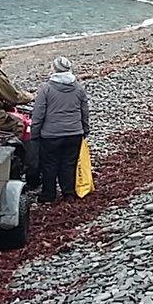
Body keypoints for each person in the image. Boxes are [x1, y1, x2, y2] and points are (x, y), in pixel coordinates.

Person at [31, 57, 90, 203]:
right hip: (74, 133)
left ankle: (48, 195)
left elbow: (38, 113)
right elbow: (84, 111)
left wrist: (35, 133)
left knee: (49, 165)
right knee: (69, 164)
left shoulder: (46, 88)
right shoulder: (78, 88)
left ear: (54, 69)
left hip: (51, 135)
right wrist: (84, 129)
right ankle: (68, 193)